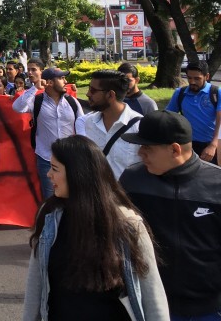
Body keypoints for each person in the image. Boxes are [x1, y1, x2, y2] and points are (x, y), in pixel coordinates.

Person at [23, 135, 168, 321]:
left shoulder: (127, 223)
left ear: (78, 174)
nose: (48, 174)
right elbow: (36, 282)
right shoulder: (50, 214)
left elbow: (151, 292)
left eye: (54, 169)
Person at [120, 110, 221, 320]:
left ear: (175, 150)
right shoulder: (132, 179)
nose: (140, 153)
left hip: (209, 308)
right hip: (149, 303)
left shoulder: (217, 185)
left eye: (147, 147)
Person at [13, 64, 83, 199]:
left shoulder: (72, 102)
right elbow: (17, 107)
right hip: (46, 160)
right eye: (61, 78)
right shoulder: (36, 101)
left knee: (74, 197)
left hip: (71, 159)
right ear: (49, 82)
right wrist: (35, 88)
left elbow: (82, 128)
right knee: (51, 199)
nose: (65, 82)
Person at [75, 71, 142, 179]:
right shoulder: (89, 122)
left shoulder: (139, 126)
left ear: (110, 95)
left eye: (93, 91)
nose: (87, 94)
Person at [165, 61, 220, 164]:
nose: (192, 82)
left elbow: (220, 122)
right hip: (187, 144)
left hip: (211, 145)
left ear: (206, 76)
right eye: (189, 78)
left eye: (197, 78)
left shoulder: (216, 93)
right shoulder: (180, 93)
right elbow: (168, 117)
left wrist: (213, 145)